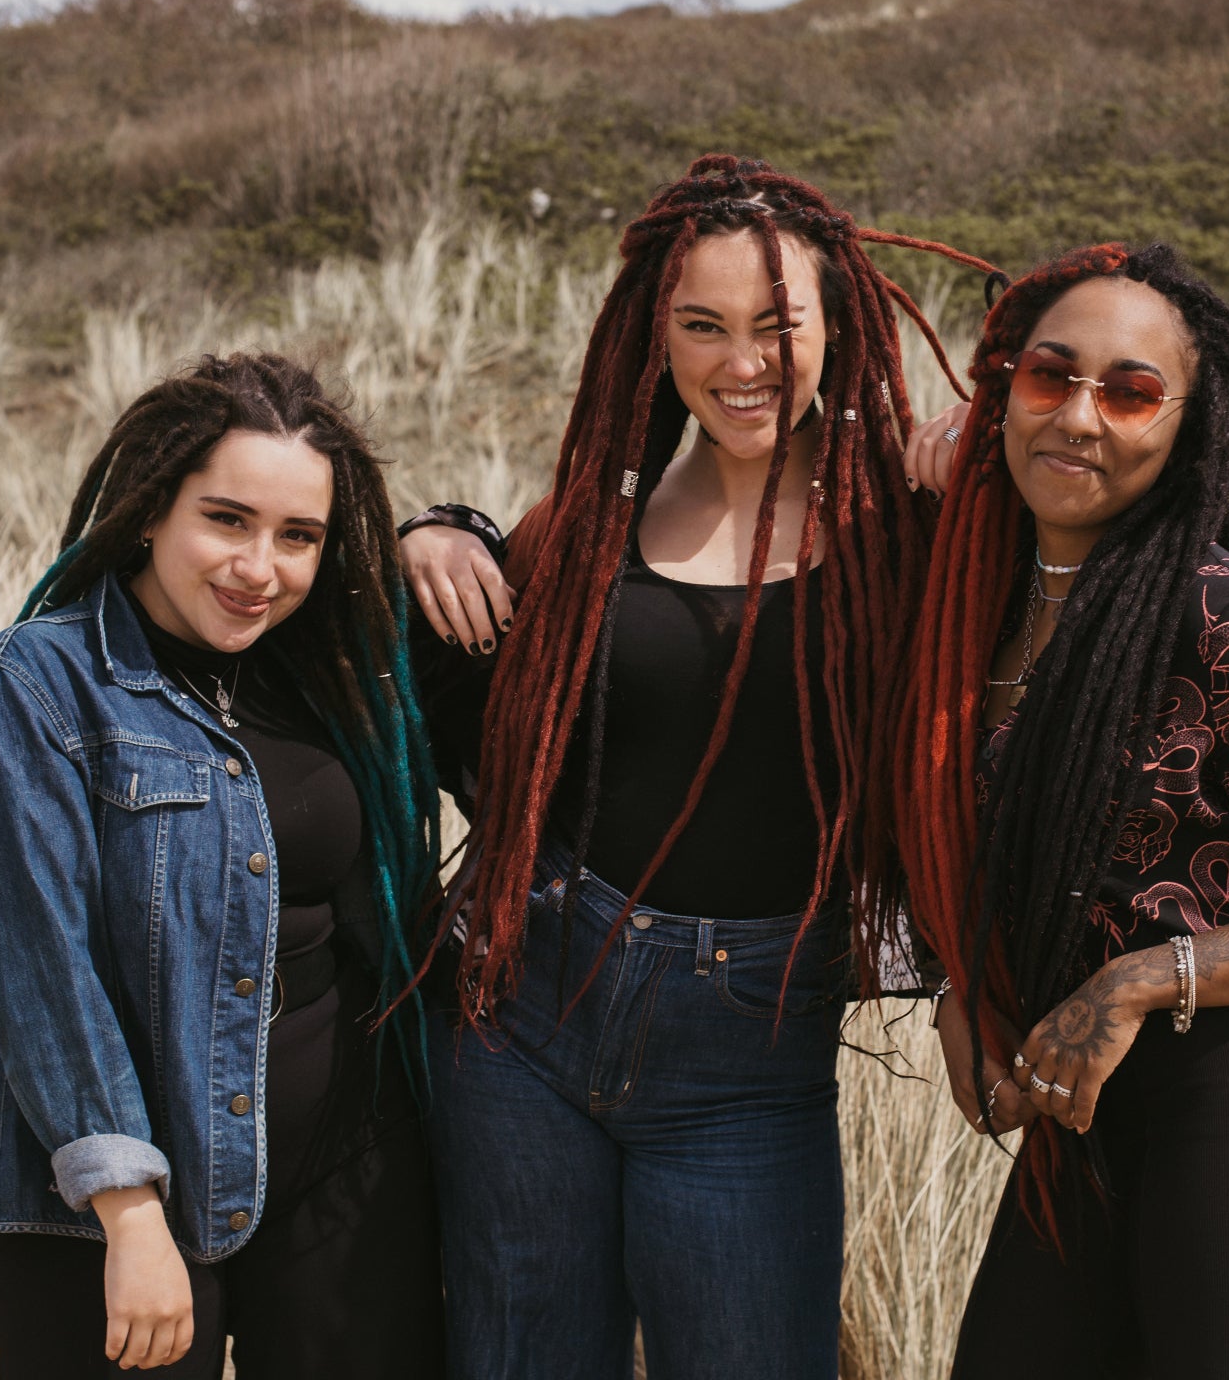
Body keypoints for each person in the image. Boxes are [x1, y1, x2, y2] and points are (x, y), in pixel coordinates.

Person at [398, 154, 989, 1380]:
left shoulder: (909, 525)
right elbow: (473, 724)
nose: (741, 363)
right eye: (703, 327)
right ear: (651, 338)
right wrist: (436, 533)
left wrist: (989, 478)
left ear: (839, 326)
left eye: (779, 325)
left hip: (746, 1063)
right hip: (520, 1020)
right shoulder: (589, 518)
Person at [893, 243, 1229, 1379]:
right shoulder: (974, 604)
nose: (1079, 417)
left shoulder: (1219, 612)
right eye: (1049, 377)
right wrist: (963, 986)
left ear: (1187, 427)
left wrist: (1134, 979)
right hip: (1084, 1118)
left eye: (1130, 391)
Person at [0, 353, 445, 1377]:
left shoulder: (328, 674)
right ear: (150, 509)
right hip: (113, 1206)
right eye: (227, 520)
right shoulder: (34, 690)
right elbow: (47, 975)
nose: (261, 566)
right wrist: (129, 1214)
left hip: (340, 1176)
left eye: (297, 536)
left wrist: (454, 529)